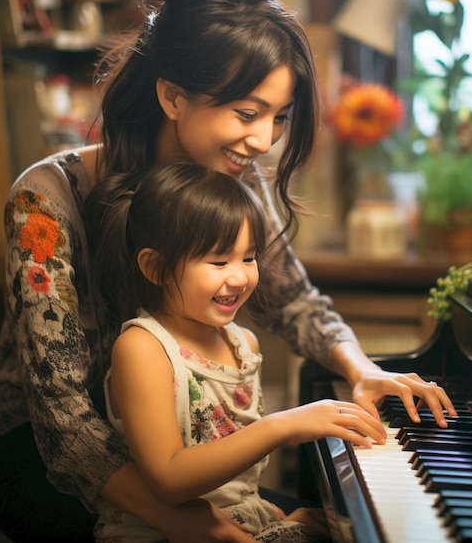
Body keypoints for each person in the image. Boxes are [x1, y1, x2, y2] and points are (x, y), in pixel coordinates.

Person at [0, 0, 456, 543]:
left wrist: (363, 371)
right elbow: (67, 429)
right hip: (44, 464)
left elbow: (295, 303)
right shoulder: (44, 200)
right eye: (247, 113)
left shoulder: (233, 179)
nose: (265, 141)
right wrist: (212, 532)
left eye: (279, 117)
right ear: (172, 95)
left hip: (175, 456)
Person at [86, 161, 380, 542]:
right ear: (155, 267)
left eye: (249, 257)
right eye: (219, 261)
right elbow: (169, 480)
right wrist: (281, 425)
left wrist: (277, 521)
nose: (240, 276)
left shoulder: (243, 344)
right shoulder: (143, 348)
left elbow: (236, 490)